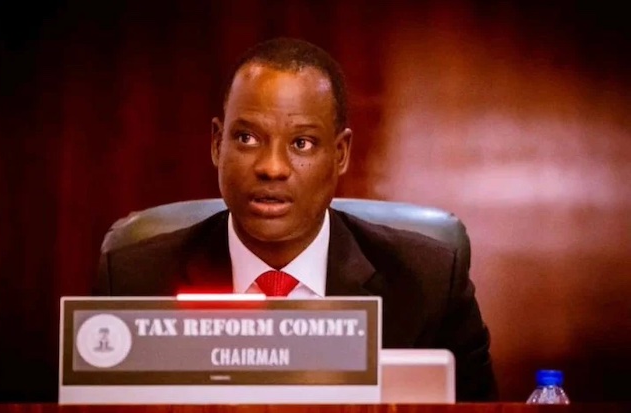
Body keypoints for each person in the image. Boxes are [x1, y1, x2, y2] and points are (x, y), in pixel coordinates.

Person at [96, 37, 497, 401]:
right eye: (247, 138)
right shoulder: (134, 282)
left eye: (302, 143)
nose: (272, 167)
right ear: (217, 144)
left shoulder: (428, 285)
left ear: (340, 154)